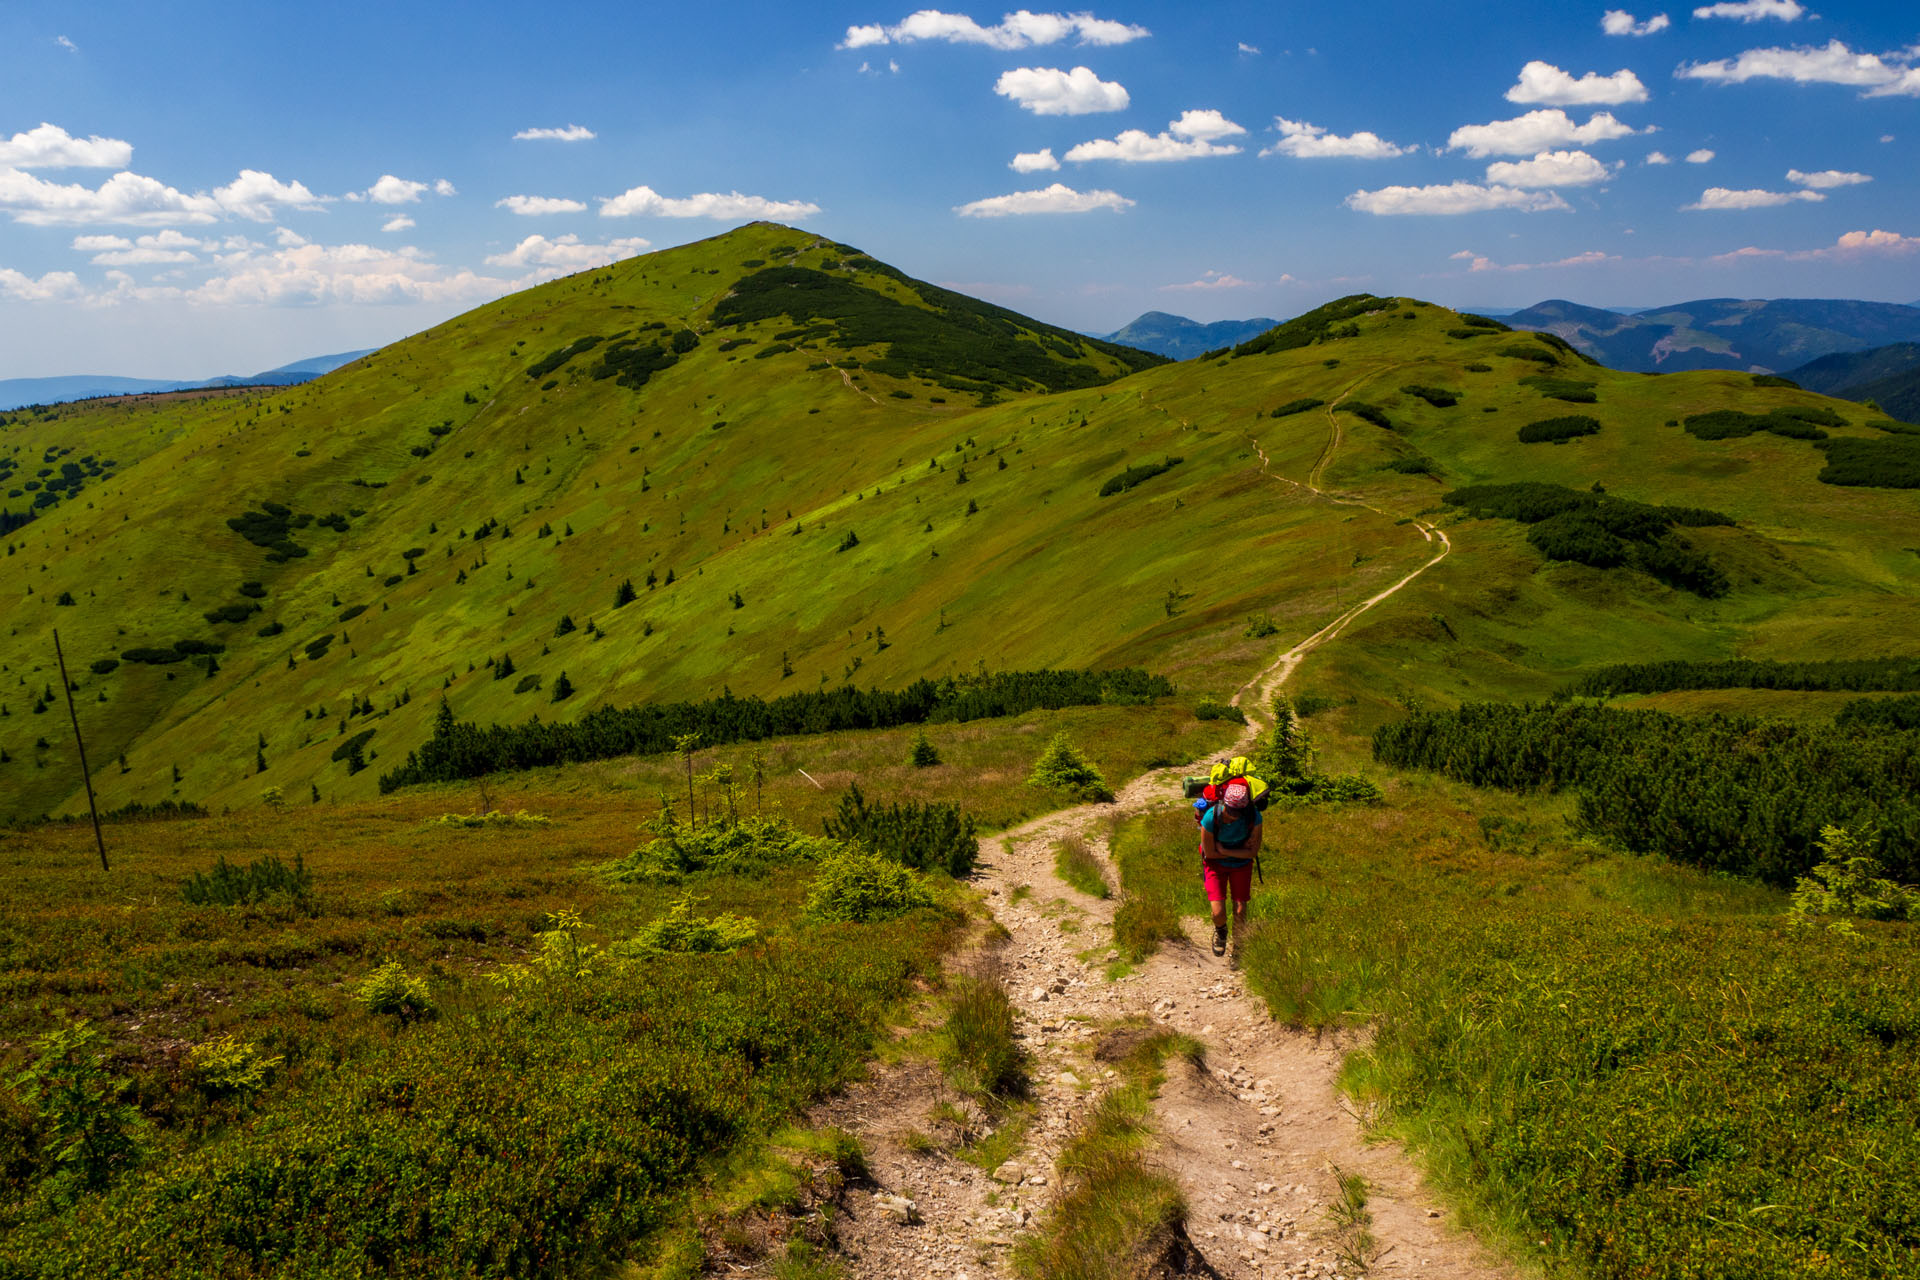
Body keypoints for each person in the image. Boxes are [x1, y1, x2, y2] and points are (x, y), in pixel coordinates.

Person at [1199, 780, 1262, 956]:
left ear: (1245, 810)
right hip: (1215, 866)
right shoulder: (1211, 818)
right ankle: (1221, 931)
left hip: (1241, 866)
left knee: (1240, 910)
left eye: (1237, 812)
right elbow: (1210, 854)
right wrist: (1239, 852)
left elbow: (1253, 852)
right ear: (1224, 804)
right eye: (1230, 810)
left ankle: (1239, 947)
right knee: (1218, 913)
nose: (1233, 815)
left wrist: (1225, 850)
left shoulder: (1254, 817)